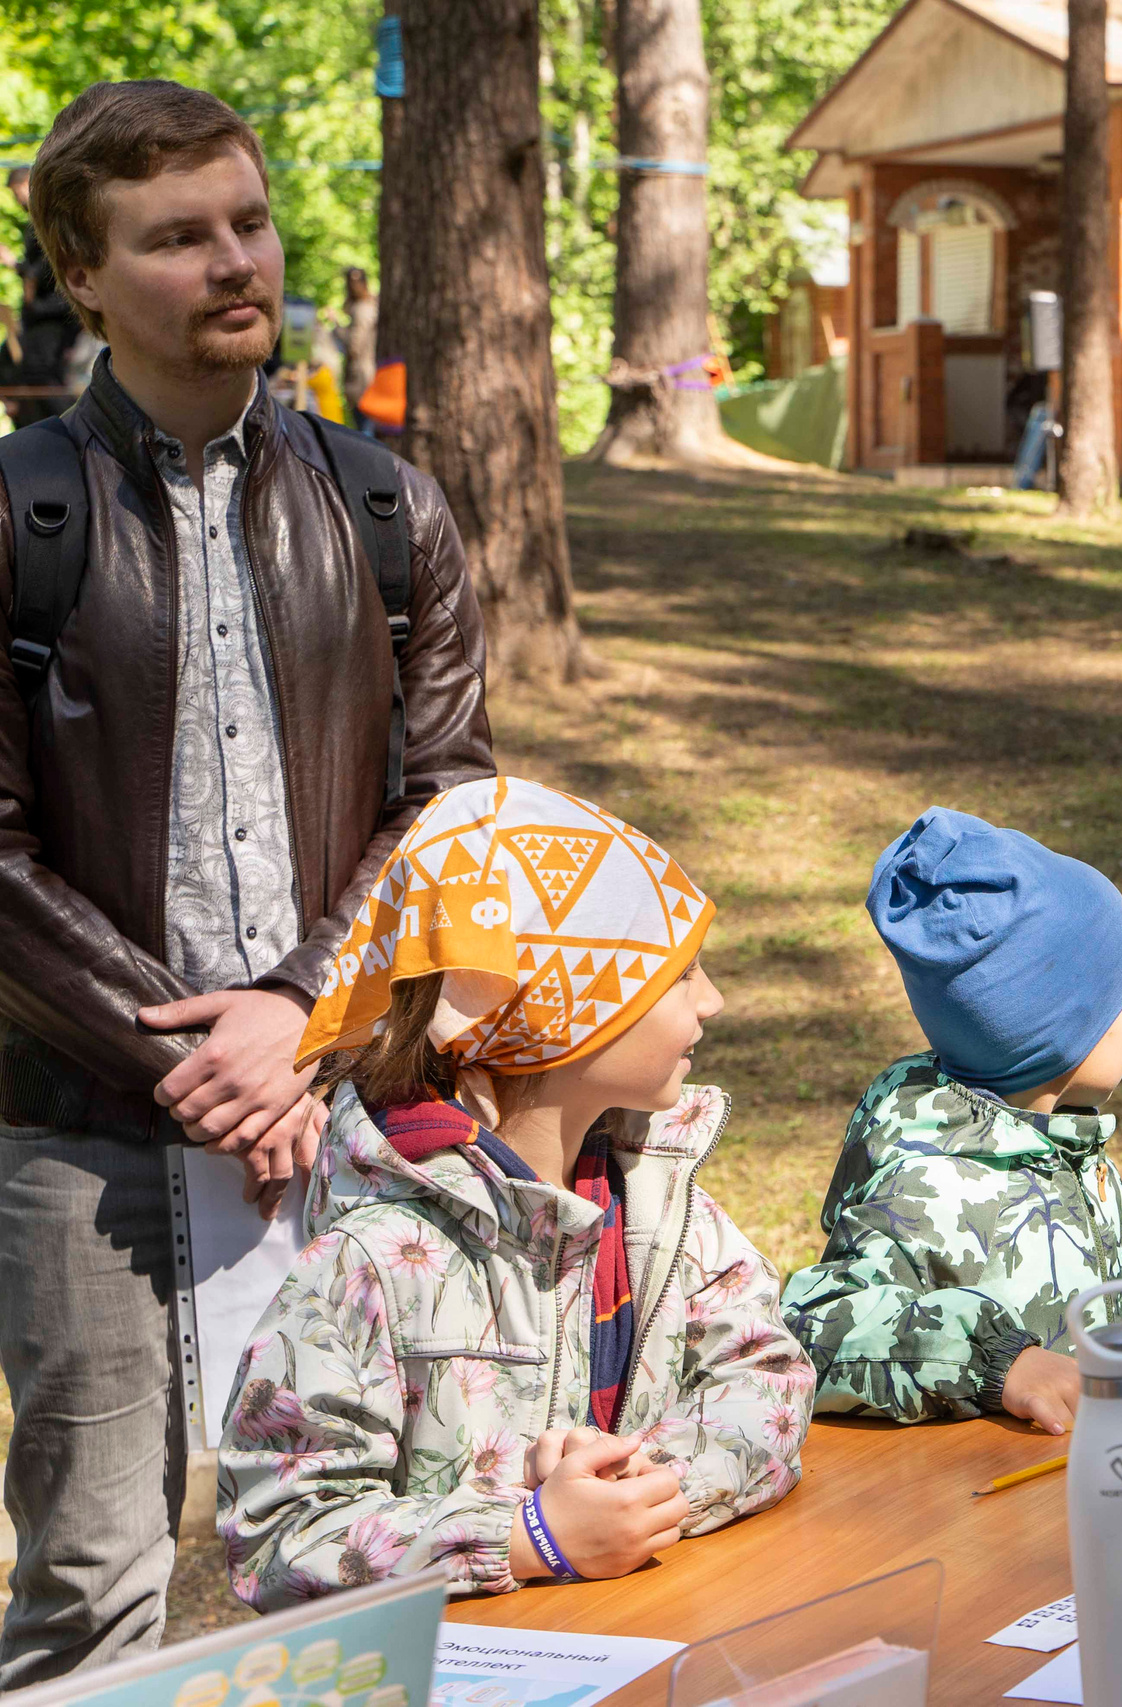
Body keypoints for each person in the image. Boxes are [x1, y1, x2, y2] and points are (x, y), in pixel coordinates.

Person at [0, 81, 491, 1682]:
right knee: (90, 1582)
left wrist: (303, 1015)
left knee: (397, 1546)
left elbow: (448, 807)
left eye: (249, 222)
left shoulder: (387, 510)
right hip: (85, 1130)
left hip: (352, 1108)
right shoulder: (18, 516)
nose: (233, 263)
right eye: (176, 237)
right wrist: (202, 1066)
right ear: (82, 272)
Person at [218, 777, 813, 1604]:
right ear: (553, 1018)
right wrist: (523, 1536)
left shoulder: (657, 1199)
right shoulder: (372, 1264)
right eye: (679, 975)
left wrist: (642, 1488)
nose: (711, 1000)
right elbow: (279, 1529)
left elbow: (768, 1375)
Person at [783, 808, 1122, 1435]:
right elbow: (815, 1327)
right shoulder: (928, 1182)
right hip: (969, 1508)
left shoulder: (1063, 1144)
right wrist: (998, 1364)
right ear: (1061, 1033)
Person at [3, 167, 80, 424]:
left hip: (55, 311)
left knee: (40, 371)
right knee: (14, 366)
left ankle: (70, 427)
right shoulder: (35, 225)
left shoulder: (53, 221)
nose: (18, 200)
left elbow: (48, 266)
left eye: (18, 192)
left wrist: (17, 266)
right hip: (41, 313)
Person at [340, 263, 376, 409]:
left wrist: (337, 331)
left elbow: (354, 346)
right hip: (366, 372)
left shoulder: (363, 309)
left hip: (362, 375)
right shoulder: (366, 306)